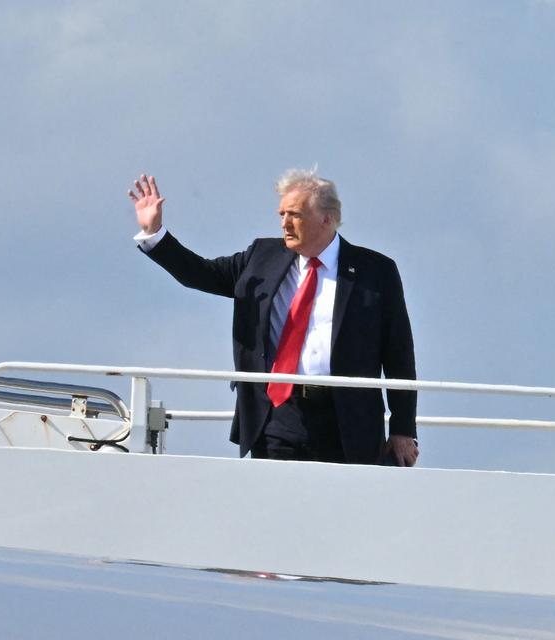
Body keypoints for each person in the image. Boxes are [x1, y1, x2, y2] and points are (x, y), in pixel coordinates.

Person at [129, 170, 419, 467]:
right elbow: (200, 273)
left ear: (327, 219)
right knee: (276, 506)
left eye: (294, 214)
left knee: (345, 508)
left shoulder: (376, 272)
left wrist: (402, 429)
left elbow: (399, 356)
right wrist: (155, 234)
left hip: (348, 418)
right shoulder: (261, 257)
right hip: (278, 415)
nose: (284, 223)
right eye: (281, 214)